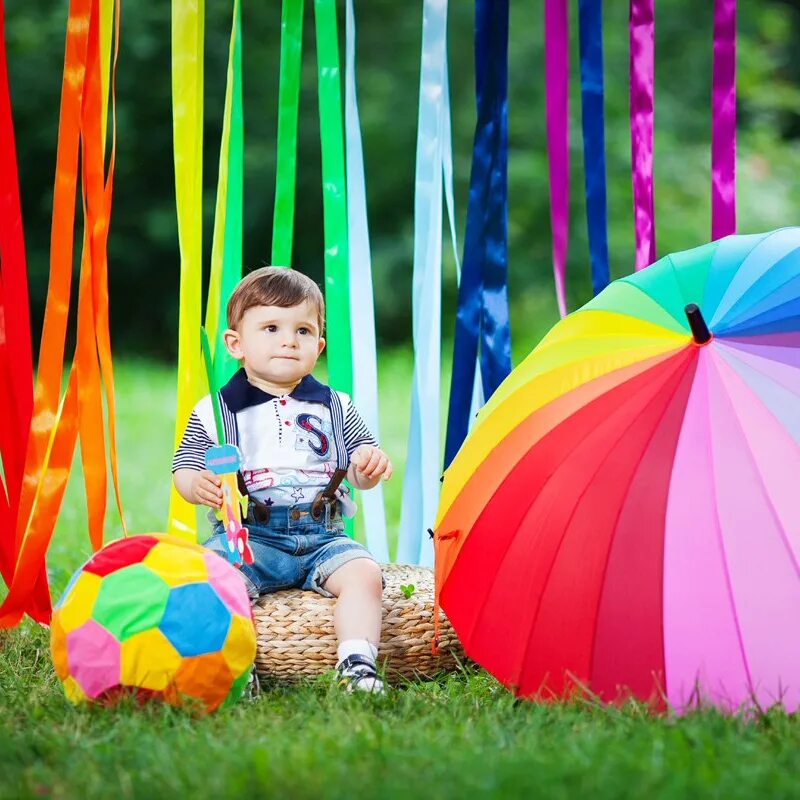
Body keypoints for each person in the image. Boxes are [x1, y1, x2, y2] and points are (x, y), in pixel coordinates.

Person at [173, 267, 393, 693]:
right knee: (212, 576)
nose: (289, 340)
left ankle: (357, 665)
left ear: (319, 345)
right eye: (271, 327)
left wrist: (368, 465)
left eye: (304, 330)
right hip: (251, 535)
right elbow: (184, 465)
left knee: (365, 574)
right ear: (235, 344)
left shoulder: (336, 406)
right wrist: (195, 484)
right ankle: (234, 666)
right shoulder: (216, 411)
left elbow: (360, 468)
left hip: (324, 533)